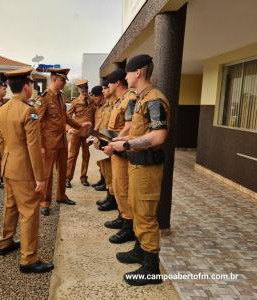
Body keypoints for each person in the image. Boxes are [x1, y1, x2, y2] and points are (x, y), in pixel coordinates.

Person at [109, 54, 170, 286]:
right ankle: (139, 250)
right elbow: (135, 133)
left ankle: (151, 268)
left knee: (145, 214)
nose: (125, 76)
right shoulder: (141, 98)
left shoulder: (154, 99)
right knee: (136, 209)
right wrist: (119, 143)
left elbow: (158, 135)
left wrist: (125, 144)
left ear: (138, 73)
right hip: (136, 164)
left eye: (127, 72)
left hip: (147, 167)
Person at [0, 66, 54, 273]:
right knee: (29, 212)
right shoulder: (28, 111)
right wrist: (40, 177)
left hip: (8, 165)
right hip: (23, 170)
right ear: (27, 86)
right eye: (31, 84)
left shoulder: (3, 109)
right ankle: (29, 259)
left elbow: (1, 141)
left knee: (10, 206)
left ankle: (5, 242)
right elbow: (33, 148)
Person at [35, 68, 91, 216]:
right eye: (62, 81)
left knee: (63, 170)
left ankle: (61, 195)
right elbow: (37, 124)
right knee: (47, 174)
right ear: (54, 78)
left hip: (62, 141)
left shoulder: (60, 96)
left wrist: (79, 126)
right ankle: (44, 202)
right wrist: (40, 146)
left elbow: (65, 118)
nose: (64, 84)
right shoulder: (43, 98)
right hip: (48, 143)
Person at [102, 69, 137, 246]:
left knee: (123, 187)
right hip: (115, 148)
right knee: (117, 185)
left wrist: (113, 143)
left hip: (123, 151)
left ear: (116, 84)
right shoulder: (119, 101)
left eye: (108, 83)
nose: (106, 86)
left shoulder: (130, 99)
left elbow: (129, 128)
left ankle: (128, 225)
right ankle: (122, 216)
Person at [65, 79, 96, 188]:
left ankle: (83, 177)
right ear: (79, 90)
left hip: (88, 133)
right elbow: (67, 117)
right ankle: (67, 178)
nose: (84, 91)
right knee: (72, 156)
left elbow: (96, 116)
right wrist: (69, 129)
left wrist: (94, 132)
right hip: (76, 133)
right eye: (82, 89)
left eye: (86, 89)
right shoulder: (75, 102)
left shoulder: (93, 101)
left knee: (86, 156)